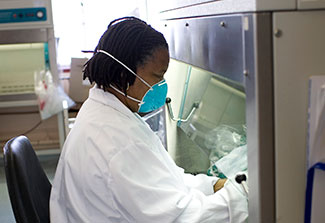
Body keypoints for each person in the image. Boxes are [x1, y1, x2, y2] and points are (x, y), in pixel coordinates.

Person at [50, 17, 248, 222]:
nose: (162, 85)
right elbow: (182, 219)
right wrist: (244, 194)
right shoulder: (119, 143)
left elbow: (162, 182)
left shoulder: (105, 109)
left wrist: (214, 185)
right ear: (122, 74)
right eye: (157, 76)